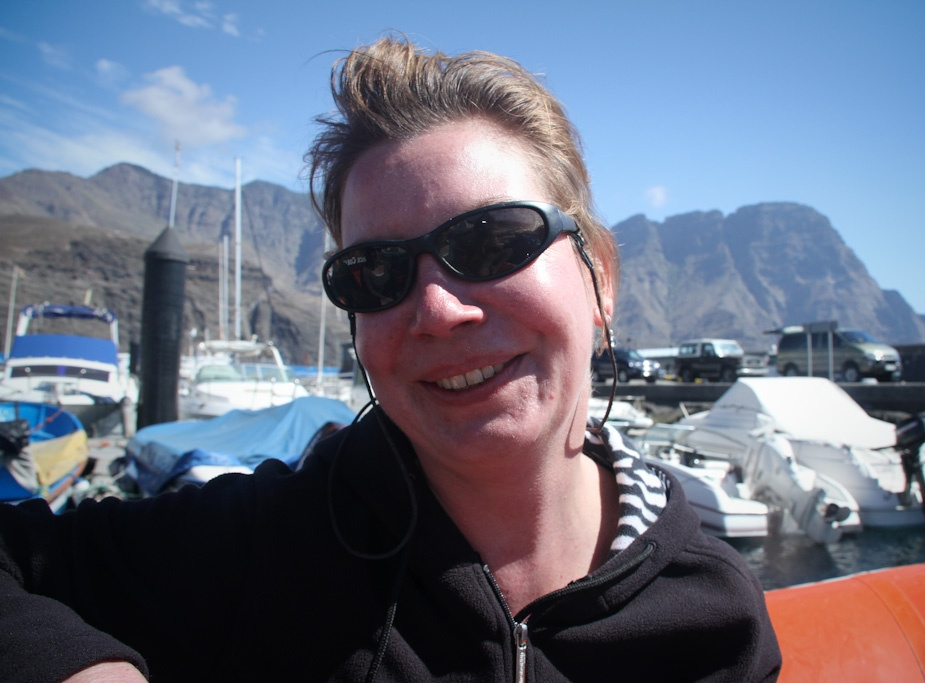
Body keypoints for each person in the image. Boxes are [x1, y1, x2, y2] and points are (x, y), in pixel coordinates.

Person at [0, 36, 781, 682]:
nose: (436, 308)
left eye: (492, 241)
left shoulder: (715, 619)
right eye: (375, 273)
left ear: (598, 275)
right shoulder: (266, 547)